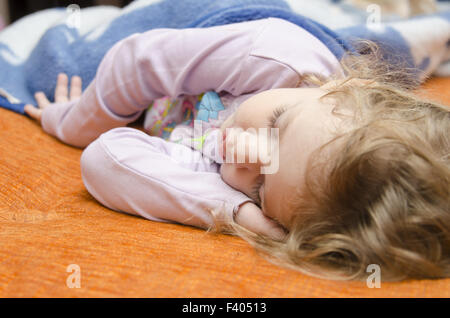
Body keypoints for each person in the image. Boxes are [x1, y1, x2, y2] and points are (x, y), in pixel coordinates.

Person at [24, 17, 450, 281]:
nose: (242, 155)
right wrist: (70, 123)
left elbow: (104, 158)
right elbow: (136, 62)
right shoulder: (276, 55)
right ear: (347, 89)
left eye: (262, 187)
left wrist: (235, 212)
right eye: (277, 123)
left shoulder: (234, 184)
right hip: (226, 26)